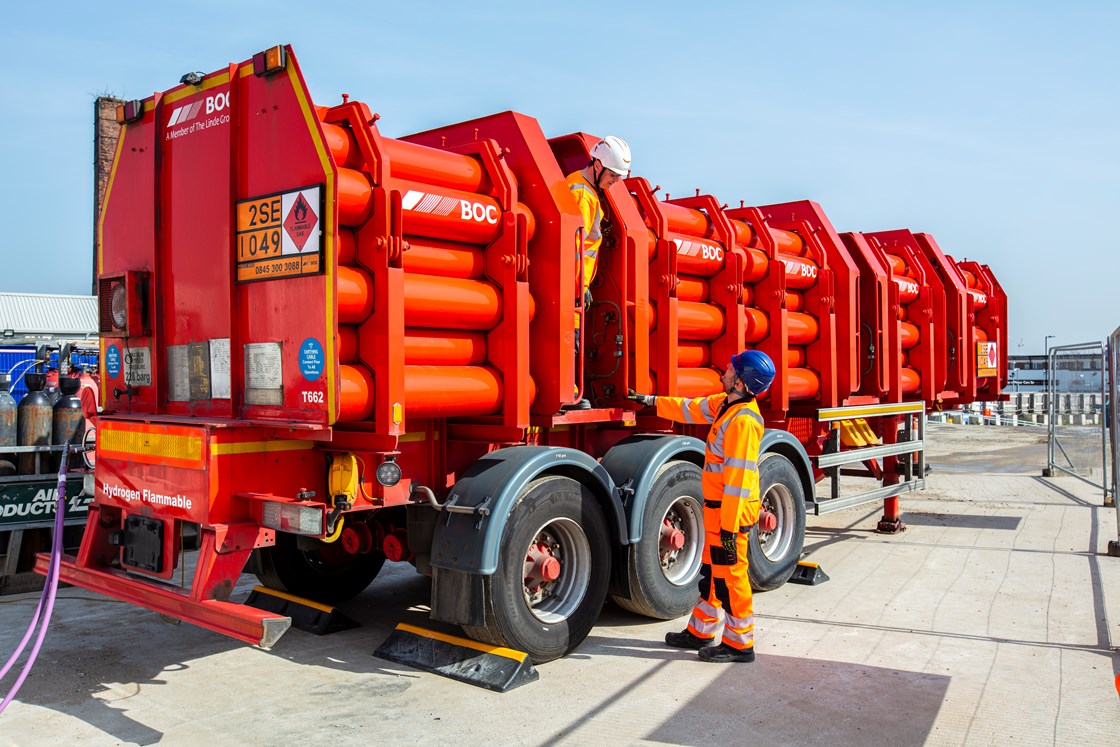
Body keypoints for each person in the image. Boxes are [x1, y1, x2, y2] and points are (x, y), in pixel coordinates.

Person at [627, 349, 776, 663]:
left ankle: (739, 644)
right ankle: (701, 631)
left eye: (731, 369)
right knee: (712, 571)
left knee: (730, 575)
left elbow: (737, 481)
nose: (725, 370)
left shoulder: (744, 422)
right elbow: (688, 408)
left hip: (729, 516)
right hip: (715, 509)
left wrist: (727, 530)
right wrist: (651, 401)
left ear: (741, 382)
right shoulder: (725, 405)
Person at [564, 136, 631, 410]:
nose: (615, 182)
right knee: (572, 339)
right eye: (613, 176)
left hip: (576, 283)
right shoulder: (581, 193)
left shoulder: (589, 191)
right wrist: (580, 286)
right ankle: (569, 394)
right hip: (572, 285)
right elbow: (575, 246)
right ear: (598, 164)